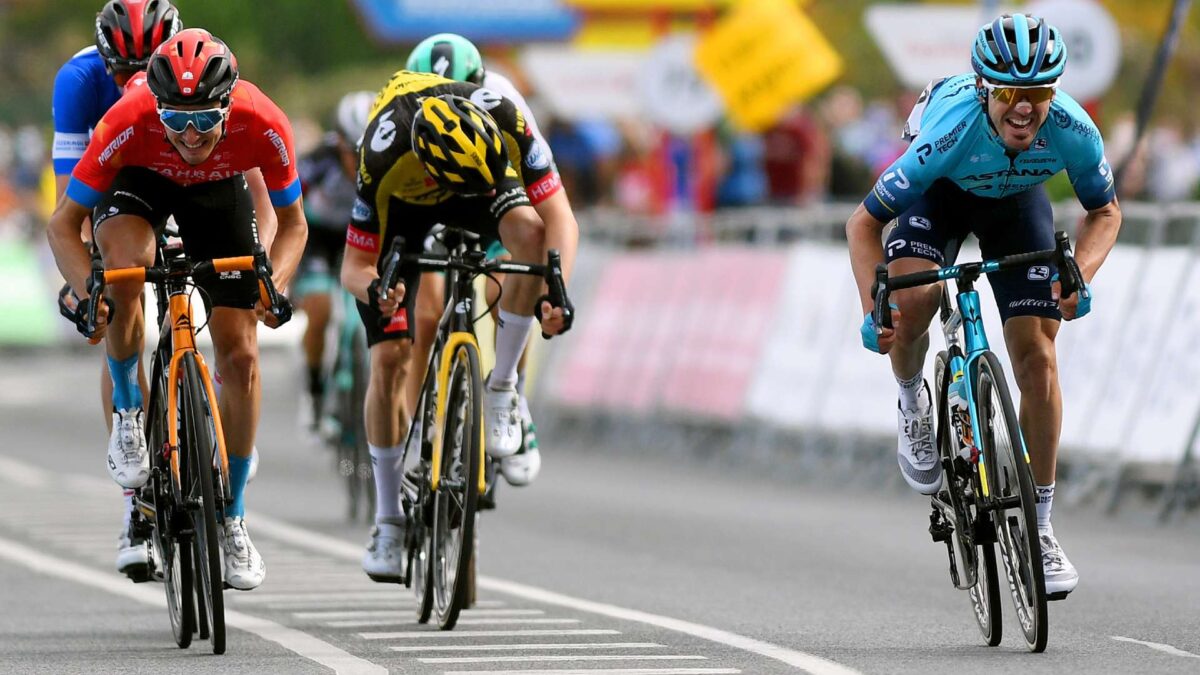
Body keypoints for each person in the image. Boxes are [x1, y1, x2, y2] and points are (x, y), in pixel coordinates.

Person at [845, 14, 1121, 598]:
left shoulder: (1073, 127)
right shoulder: (949, 129)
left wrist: (1082, 274)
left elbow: (1105, 212)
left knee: (1038, 358)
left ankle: (1040, 529)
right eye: (1010, 94)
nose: (1025, 108)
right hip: (937, 195)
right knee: (915, 300)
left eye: (1039, 93)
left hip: (1016, 203)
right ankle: (912, 400)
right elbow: (862, 223)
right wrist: (875, 306)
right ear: (984, 90)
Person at [45, 29, 309, 591]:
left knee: (240, 355)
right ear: (155, 105)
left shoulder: (262, 119)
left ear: (228, 105)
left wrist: (275, 284)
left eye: (204, 121)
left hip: (218, 195)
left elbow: (294, 225)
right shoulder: (128, 119)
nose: (190, 135)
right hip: (141, 184)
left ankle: (233, 515)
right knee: (124, 271)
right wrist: (85, 288)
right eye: (175, 120)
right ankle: (129, 413)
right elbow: (64, 225)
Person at [342, 71, 578, 582]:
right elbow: (352, 269)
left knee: (532, 241)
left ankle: (503, 388)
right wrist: (378, 292)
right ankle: (387, 519)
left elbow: (562, 221)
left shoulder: (507, 116)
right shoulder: (382, 153)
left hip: (481, 181)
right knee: (389, 360)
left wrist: (556, 293)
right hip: (406, 207)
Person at [51, 0, 181, 581]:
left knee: (224, 300)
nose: (132, 78)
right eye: (119, 67)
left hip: (183, 176)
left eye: (143, 65)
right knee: (123, 299)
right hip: (113, 185)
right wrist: (85, 285)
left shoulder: (192, 65)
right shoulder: (79, 81)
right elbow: (69, 209)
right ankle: (137, 500)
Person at [405, 32, 552, 487]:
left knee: (504, 282)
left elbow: (547, 199)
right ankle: (419, 436)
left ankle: (511, 392)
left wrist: (552, 275)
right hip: (431, 206)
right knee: (426, 318)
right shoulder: (399, 105)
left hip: (493, 197)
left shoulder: (506, 100)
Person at [292, 91, 375, 431]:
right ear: (337, 141)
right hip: (319, 237)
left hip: (363, 234)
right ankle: (314, 388)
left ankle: (359, 376)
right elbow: (287, 203)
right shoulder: (319, 161)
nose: (359, 161)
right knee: (321, 308)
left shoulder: (383, 160)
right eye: (352, 153)